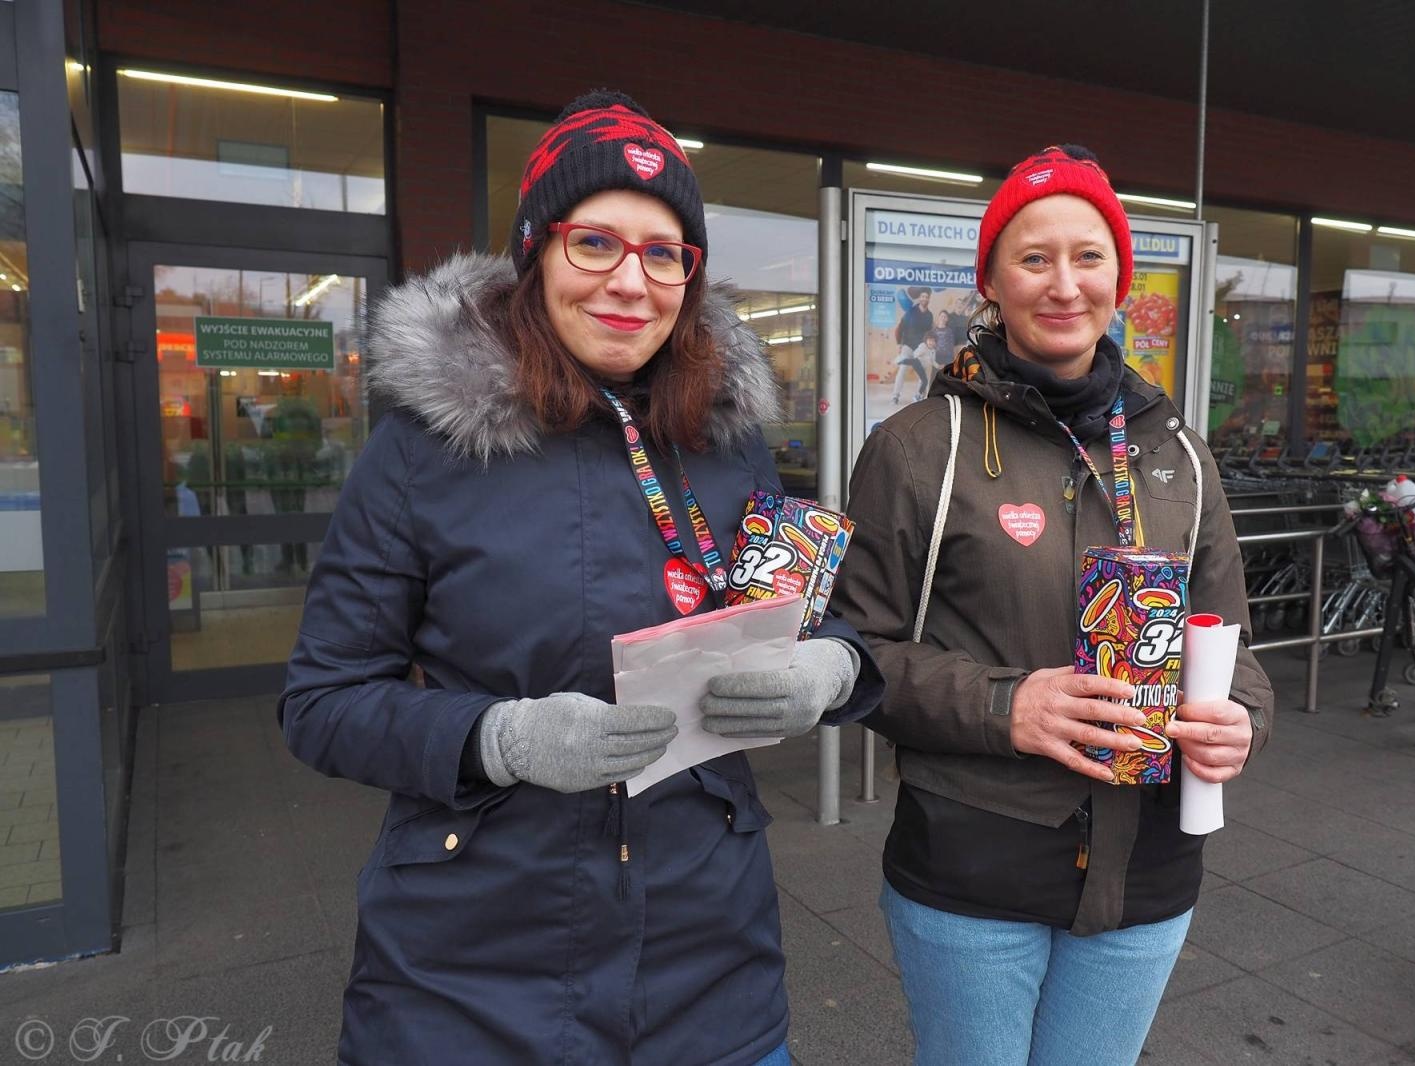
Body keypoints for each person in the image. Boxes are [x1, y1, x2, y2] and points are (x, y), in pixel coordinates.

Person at [279, 90, 883, 1066]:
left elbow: (820, 614)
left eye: (663, 252)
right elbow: (322, 700)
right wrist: (500, 736)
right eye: (594, 242)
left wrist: (832, 672)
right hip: (472, 981)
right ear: (536, 254)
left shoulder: (725, 442)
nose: (631, 280)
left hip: (711, 971)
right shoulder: (422, 450)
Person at [832, 144, 1274, 1066]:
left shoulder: (1178, 453)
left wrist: (1242, 721)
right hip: (971, 871)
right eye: (1034, 258)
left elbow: (1234, 650)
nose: (1064, 284)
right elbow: (849, 655)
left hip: (1149, 872)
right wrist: (1009, 706)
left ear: (1120, 273)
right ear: (990, 280)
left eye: (1089, 255)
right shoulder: (918, 447)